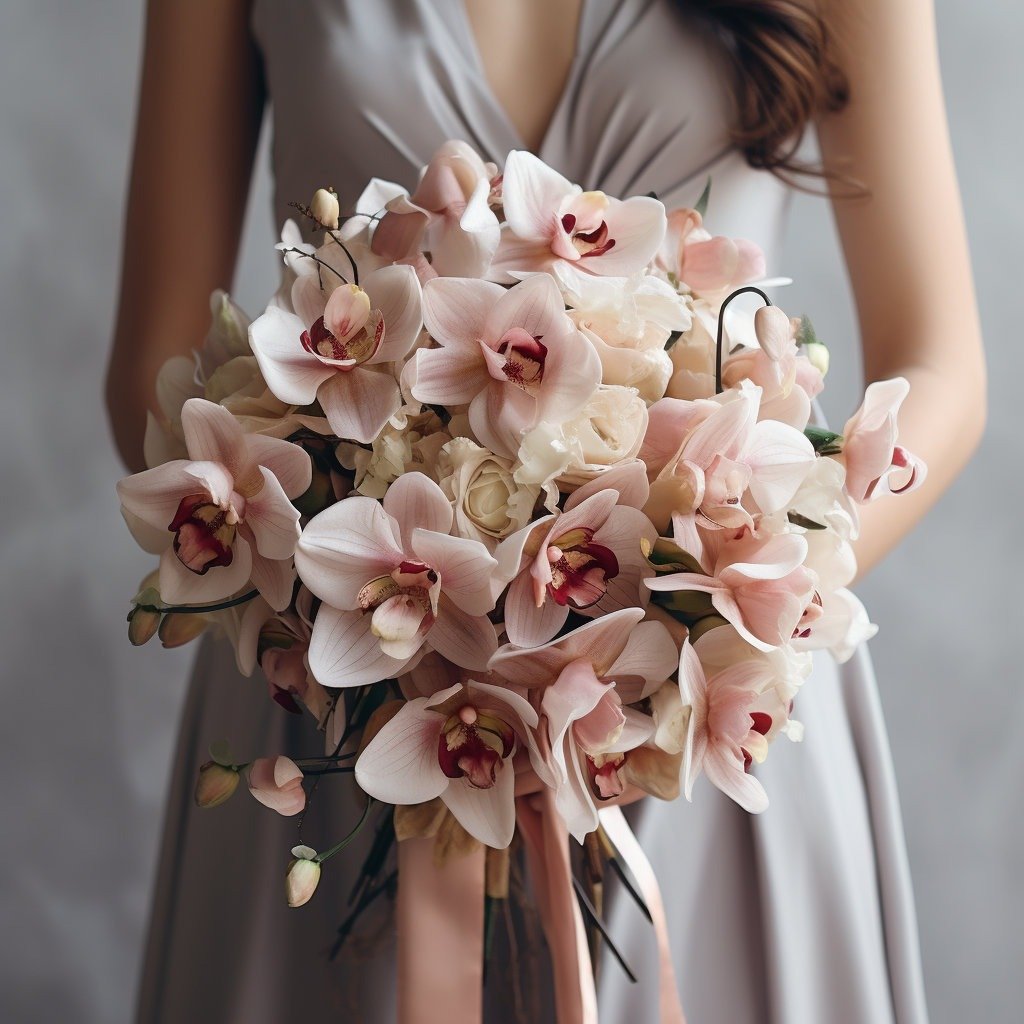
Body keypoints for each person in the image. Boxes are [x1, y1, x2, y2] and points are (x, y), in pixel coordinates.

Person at [106, 1, 985, 1021]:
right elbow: (151, 370)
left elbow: (944, 366)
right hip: (339, 683)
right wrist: (370, 621)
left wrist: (721, 610)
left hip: (707, 706)